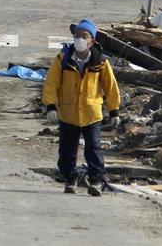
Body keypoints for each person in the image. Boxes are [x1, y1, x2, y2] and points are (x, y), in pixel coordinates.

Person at [42, 18, 121, 196]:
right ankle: (71, 179)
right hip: (68, 113)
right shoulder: (63, 59)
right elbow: (51, 84)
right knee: (67, 150)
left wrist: (114, 110)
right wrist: (51, 106)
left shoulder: (100, 62)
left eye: (84, 36)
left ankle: (96, 181)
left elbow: (111, 87)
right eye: (77, 35)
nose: (80, 39)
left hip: (91, 114)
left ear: (92, 40)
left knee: (93, 148)